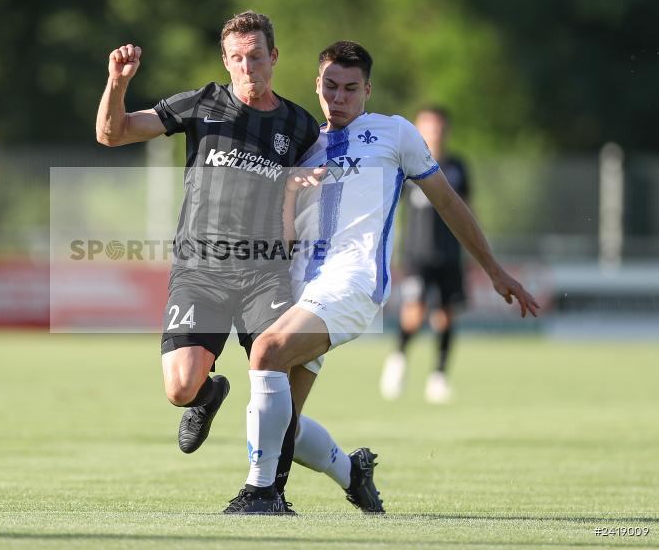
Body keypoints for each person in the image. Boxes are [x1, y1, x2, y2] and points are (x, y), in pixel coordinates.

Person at [226, 40, 539, 514]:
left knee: (267, 354)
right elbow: (282, 233)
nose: (340, 97)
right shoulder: (301, 142)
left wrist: (493, 270)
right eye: (331, 86)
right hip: (297, 287)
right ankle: (353, 474)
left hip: (352, 283)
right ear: (317, 85)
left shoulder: (395, 134)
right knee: (283, 422)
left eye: (351, 88)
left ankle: (261, 494)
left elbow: (449, 203)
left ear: (367, 89)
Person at [95, 11, 319, 511]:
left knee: (282, 371)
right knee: (179, 388)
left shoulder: (299, 126)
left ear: (274, 57)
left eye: (256, 57)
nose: (247, 68)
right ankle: (207, 395)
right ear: (225, 60)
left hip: (265, 272)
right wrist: (116, 84)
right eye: (237, 58)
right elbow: (112, 134)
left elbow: (318, 192)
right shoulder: (202, 104)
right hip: (201, 273)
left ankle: (269, 492)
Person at [381, 106, 471, 404]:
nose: (435, 131)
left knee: (446, 316)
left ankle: (439, 376)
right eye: (429, 126)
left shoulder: (457, 166)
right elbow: (391, 208)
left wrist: (474, 248)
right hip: (417, 254)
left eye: (439, 126)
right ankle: (398, 359)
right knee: (415, 312)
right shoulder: (407, 164)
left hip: (450, 254)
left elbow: (469, 209)